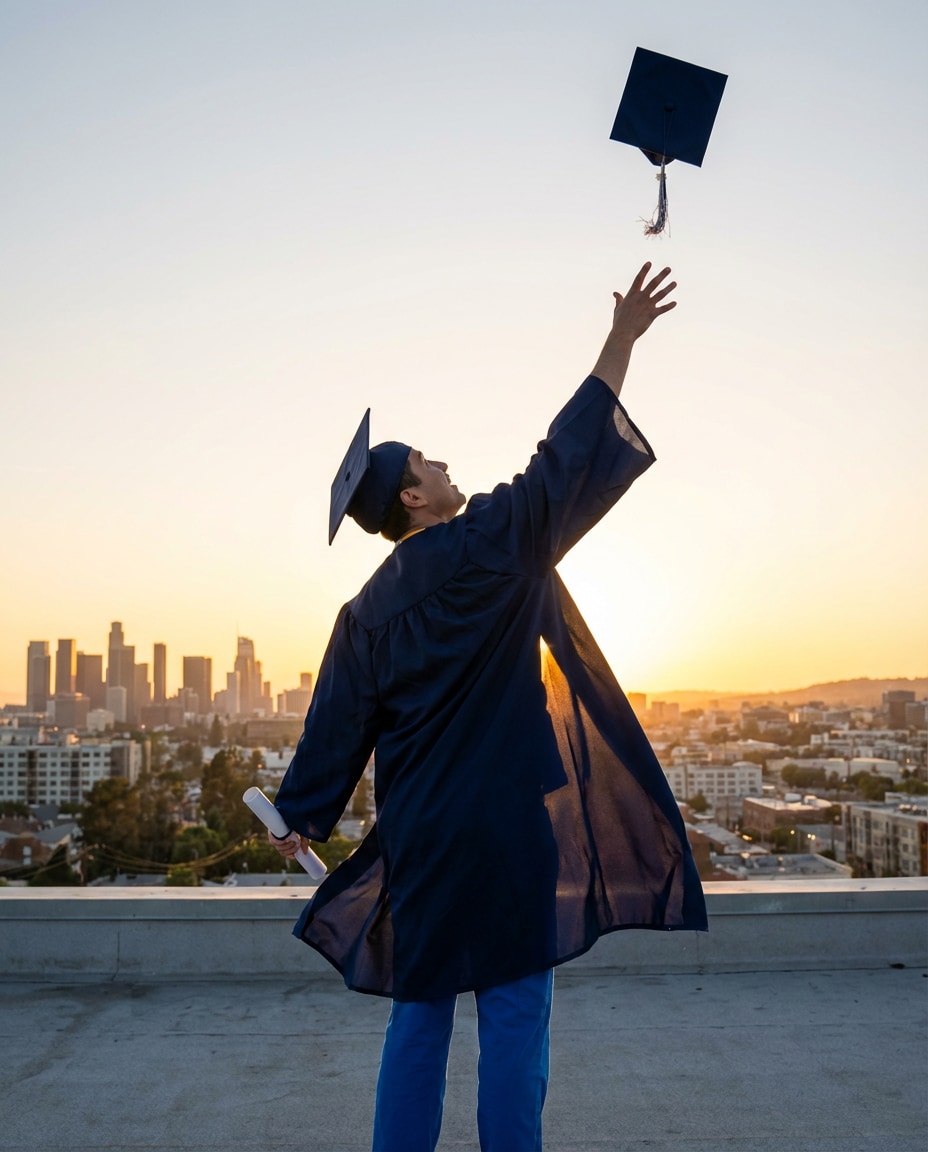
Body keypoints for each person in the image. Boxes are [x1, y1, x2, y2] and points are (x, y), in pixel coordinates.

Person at [269, 262, 707, 1152]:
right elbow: (566, 459)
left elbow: (335, 731)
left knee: (419, 1018)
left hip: (425, 837)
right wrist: (621, 339)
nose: (442, 461)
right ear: (411, 496)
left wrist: (300, 816)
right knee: (514, 1015)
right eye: (427, 460)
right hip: (510, 825)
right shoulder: (494, 541)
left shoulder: (364, 614)